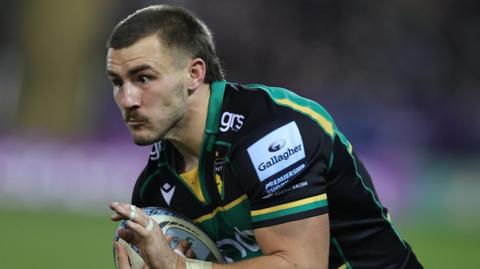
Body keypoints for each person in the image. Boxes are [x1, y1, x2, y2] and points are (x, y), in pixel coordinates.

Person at [106, 5, 423, 269]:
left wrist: (180, 266)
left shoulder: (273, 130)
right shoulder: (154, 188)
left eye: (143, 78)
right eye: (118, 82)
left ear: (194, 74)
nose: (127, 99)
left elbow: (299, 265)